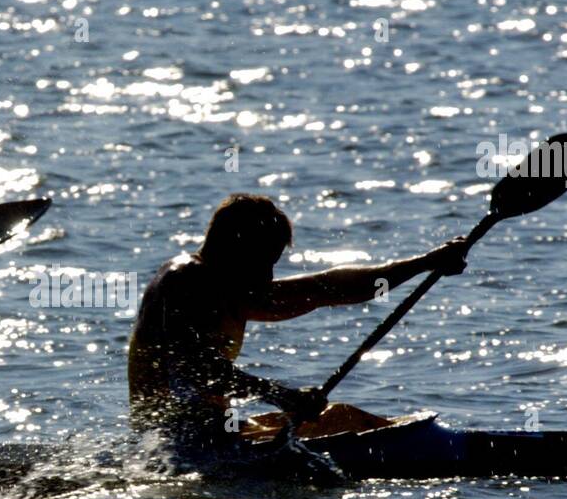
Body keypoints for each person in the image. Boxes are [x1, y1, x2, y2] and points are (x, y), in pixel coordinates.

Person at [127, 193, 469, 451]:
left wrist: (426, 262)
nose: (270, 275)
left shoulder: (224, 281)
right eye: (266, 262)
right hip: (187, 447)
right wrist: (283, 397)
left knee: (346, 417)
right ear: (238, 251)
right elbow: (198, 367)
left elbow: (328, 288)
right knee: (353, 432)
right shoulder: (187, 283)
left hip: (216, 434)